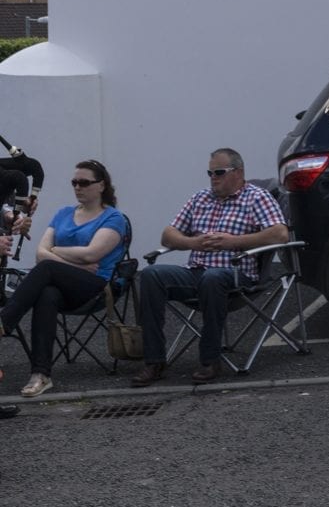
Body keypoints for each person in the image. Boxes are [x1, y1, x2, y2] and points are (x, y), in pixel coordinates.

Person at [130, 148, 287, 386]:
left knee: (212, 278)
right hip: (195, 272)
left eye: (219, 172)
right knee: (151, 275)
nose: (213, 177)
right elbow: (168, 236)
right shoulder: (200, 198)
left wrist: (234, 242)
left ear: (239, 172)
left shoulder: (257, 197)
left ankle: (210, 359)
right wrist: (193, 243)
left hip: (237, 275)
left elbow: (280, 234)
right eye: (210, 172)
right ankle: (154, 361)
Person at [0, 160, 126, 398]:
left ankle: (4, 322)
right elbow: (39, 253)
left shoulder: (113, 218)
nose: (78, 187)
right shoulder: (63, 214)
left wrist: (55, 251)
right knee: (47, 294)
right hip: (63, 285)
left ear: (101, 185)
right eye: (74, 182)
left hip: (94, 287)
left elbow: (92, 254)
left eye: (84, 182)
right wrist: (71, 260)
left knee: (47, 268)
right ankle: (41, 375)